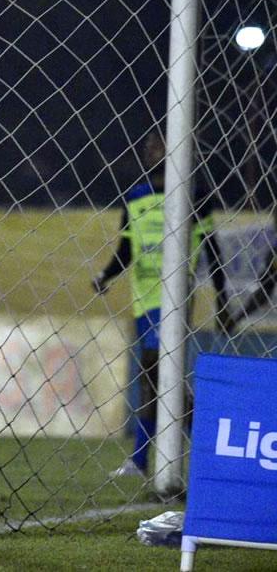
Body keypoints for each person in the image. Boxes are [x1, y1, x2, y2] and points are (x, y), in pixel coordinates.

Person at [92, 131, 230, 479]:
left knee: (153, 375)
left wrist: (222, 297)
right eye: (149, 146)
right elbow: (126, 252)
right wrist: (105, 276)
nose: (154, 151)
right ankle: (206, 449)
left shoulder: (195, 196)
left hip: (176, 299)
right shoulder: (135, 197)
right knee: (162, 379)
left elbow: (212, 249)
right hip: (143, 302)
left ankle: (142, 460)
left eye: (161, 146)